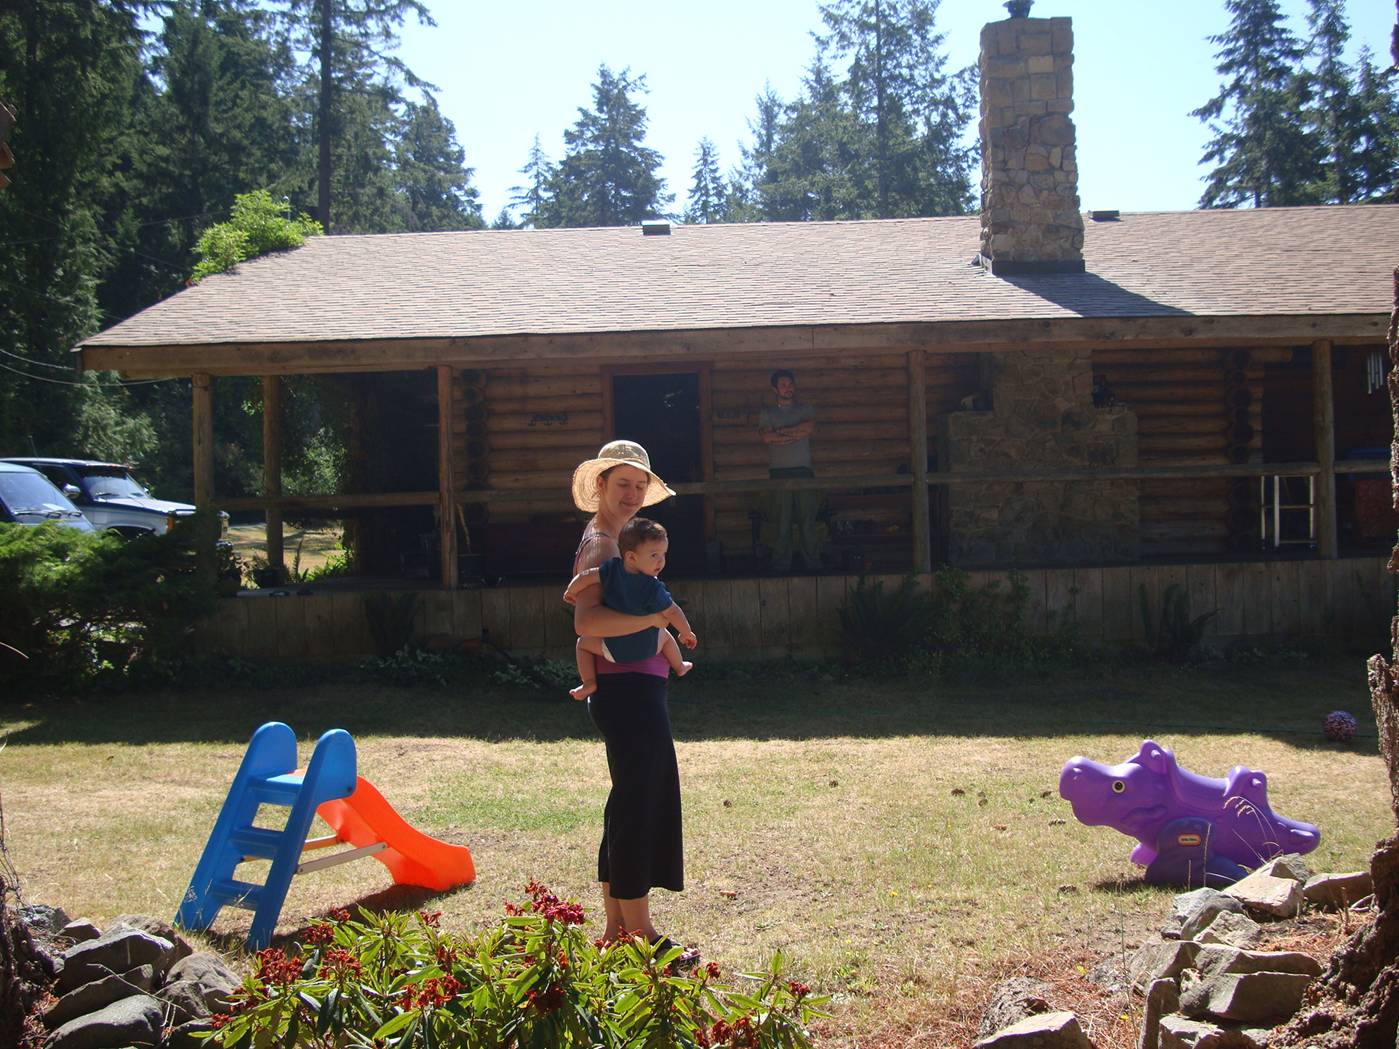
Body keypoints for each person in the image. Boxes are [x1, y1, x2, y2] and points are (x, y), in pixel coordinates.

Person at [565, 439, 698, 963]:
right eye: (623, 484)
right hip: (626, 691)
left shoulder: (624, 538)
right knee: (640, 801)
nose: (633, 494)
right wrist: (654, 620)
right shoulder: (601, 544)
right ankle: (640, 937)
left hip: (635, 688)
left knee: (629, 800)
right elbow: (586, 623)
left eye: (640, 486)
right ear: (601, 486)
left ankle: (618, 931)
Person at [565, 517, 696, 702]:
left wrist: (572, 591)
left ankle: (588, 682)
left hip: (613, 651)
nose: (661, 561)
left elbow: (586, 576)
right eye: (654, 555)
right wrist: (686, 632)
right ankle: (680, 665)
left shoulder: (610, 571)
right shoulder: (652, 587)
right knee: (665, 635)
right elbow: (673, 611)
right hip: (647, 649)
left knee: (582, 644)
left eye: (663, 554)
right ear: (631, 556)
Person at [758, 367, 822, 574]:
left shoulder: (805, 409)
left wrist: (781, 433)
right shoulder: (767, 412)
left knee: (807, 521)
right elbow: (767, 438)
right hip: (779, 473)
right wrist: (794, 434)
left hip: (804, 471)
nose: (788, 388)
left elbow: (809, 428)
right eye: (784, 385)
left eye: (791, 384)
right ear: (775, 389)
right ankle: (780, 568)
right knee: (781, 522)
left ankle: (813, 566)